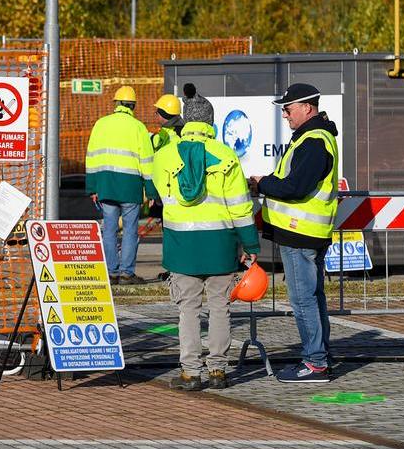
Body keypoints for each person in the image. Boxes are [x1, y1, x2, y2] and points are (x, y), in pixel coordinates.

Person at [152, 112, 258, 391]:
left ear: (187, 122)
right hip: (220, 243)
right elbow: (240, 205)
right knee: (220, 308)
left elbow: (161, 194)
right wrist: (250, 243)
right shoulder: (226, 155)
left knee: (187, 309)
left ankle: (190, 372)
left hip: (181, 244)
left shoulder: (165, 155)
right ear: (210, 122)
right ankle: (218, 370)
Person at [250, 83, 339, 383]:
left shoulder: (314, 141)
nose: (285, 115)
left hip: (300, 234)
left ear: (307, 108)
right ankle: (321, 356)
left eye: (288, 109)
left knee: (304, 300)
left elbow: (295, 187)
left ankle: (315, 363)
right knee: (313, 297)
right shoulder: (311, 138)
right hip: (305, 233)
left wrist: (263, 184)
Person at [86, 85, 156, 285]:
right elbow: (147, 162)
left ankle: (111, 271)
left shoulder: (101, 124)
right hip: (130, 188)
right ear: (132, 106)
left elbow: (91, 158)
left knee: (109, 229)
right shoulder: (138, 128)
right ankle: (126, 273)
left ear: (116, 103)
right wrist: (150, 192)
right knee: (130, 230)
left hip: (106, 186)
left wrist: (92, 188)